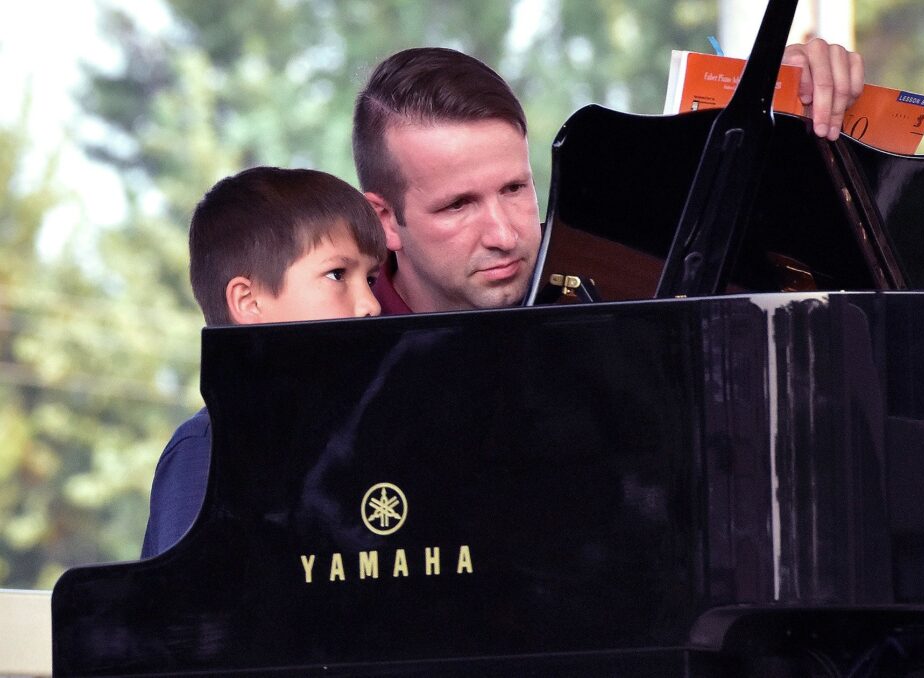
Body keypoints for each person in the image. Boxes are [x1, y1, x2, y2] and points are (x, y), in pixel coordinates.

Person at [353, 40, 864, 316]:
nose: (505, 236)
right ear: (384, 220)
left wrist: (794, 95)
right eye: (458, 205)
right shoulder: (330, 347)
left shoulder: (614, 293)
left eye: (514, 189)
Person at [141, 167, 386, 558]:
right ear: (249, 302)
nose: (370, 305)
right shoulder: (207, 452)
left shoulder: (371, 434)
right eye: (337, 274)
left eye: (371, 279)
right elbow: (191, 614)